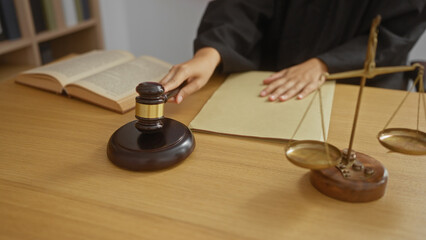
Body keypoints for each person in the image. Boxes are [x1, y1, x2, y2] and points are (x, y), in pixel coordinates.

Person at [160, 0, 426, 104]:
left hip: (362, 81)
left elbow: (396, 32)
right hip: (275, 72)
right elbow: (241, 5)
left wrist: (324, 64)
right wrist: (213, 50)